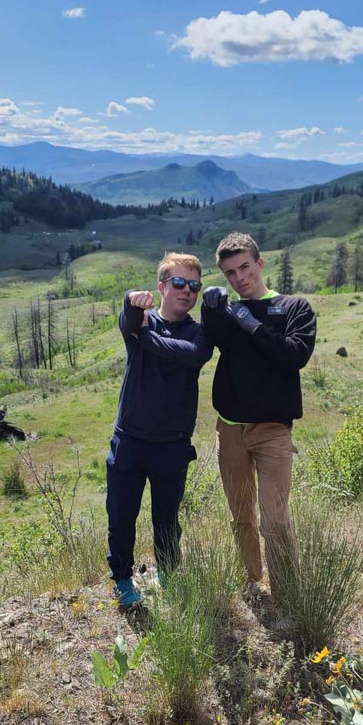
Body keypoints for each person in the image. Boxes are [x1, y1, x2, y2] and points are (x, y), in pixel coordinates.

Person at [201, 232, 316, 600]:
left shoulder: (295, 308)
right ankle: (252, 581)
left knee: (275, 517)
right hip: (230, 429)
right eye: (230, 273)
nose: (239, 278)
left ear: (260, 263)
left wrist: (252, 325)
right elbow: (209, 340)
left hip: (273, 430)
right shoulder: (229, 312)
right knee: (240, 514)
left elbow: (295, 355)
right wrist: (210, 309)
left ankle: (288, 595)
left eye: (245, 267)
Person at [106, 251, 212, 609]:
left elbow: (192, 354)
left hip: (172, 446)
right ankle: (122, 579)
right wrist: (130, 300)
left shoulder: (199, 333)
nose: (187, 291)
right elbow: (127, 319)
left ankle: (168, 572)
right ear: (162, 286)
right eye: (179, 283)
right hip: (130, 441)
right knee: (121, 515)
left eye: (194, 286)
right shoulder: (142, 320)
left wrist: (146, 338)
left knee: (167, 519)